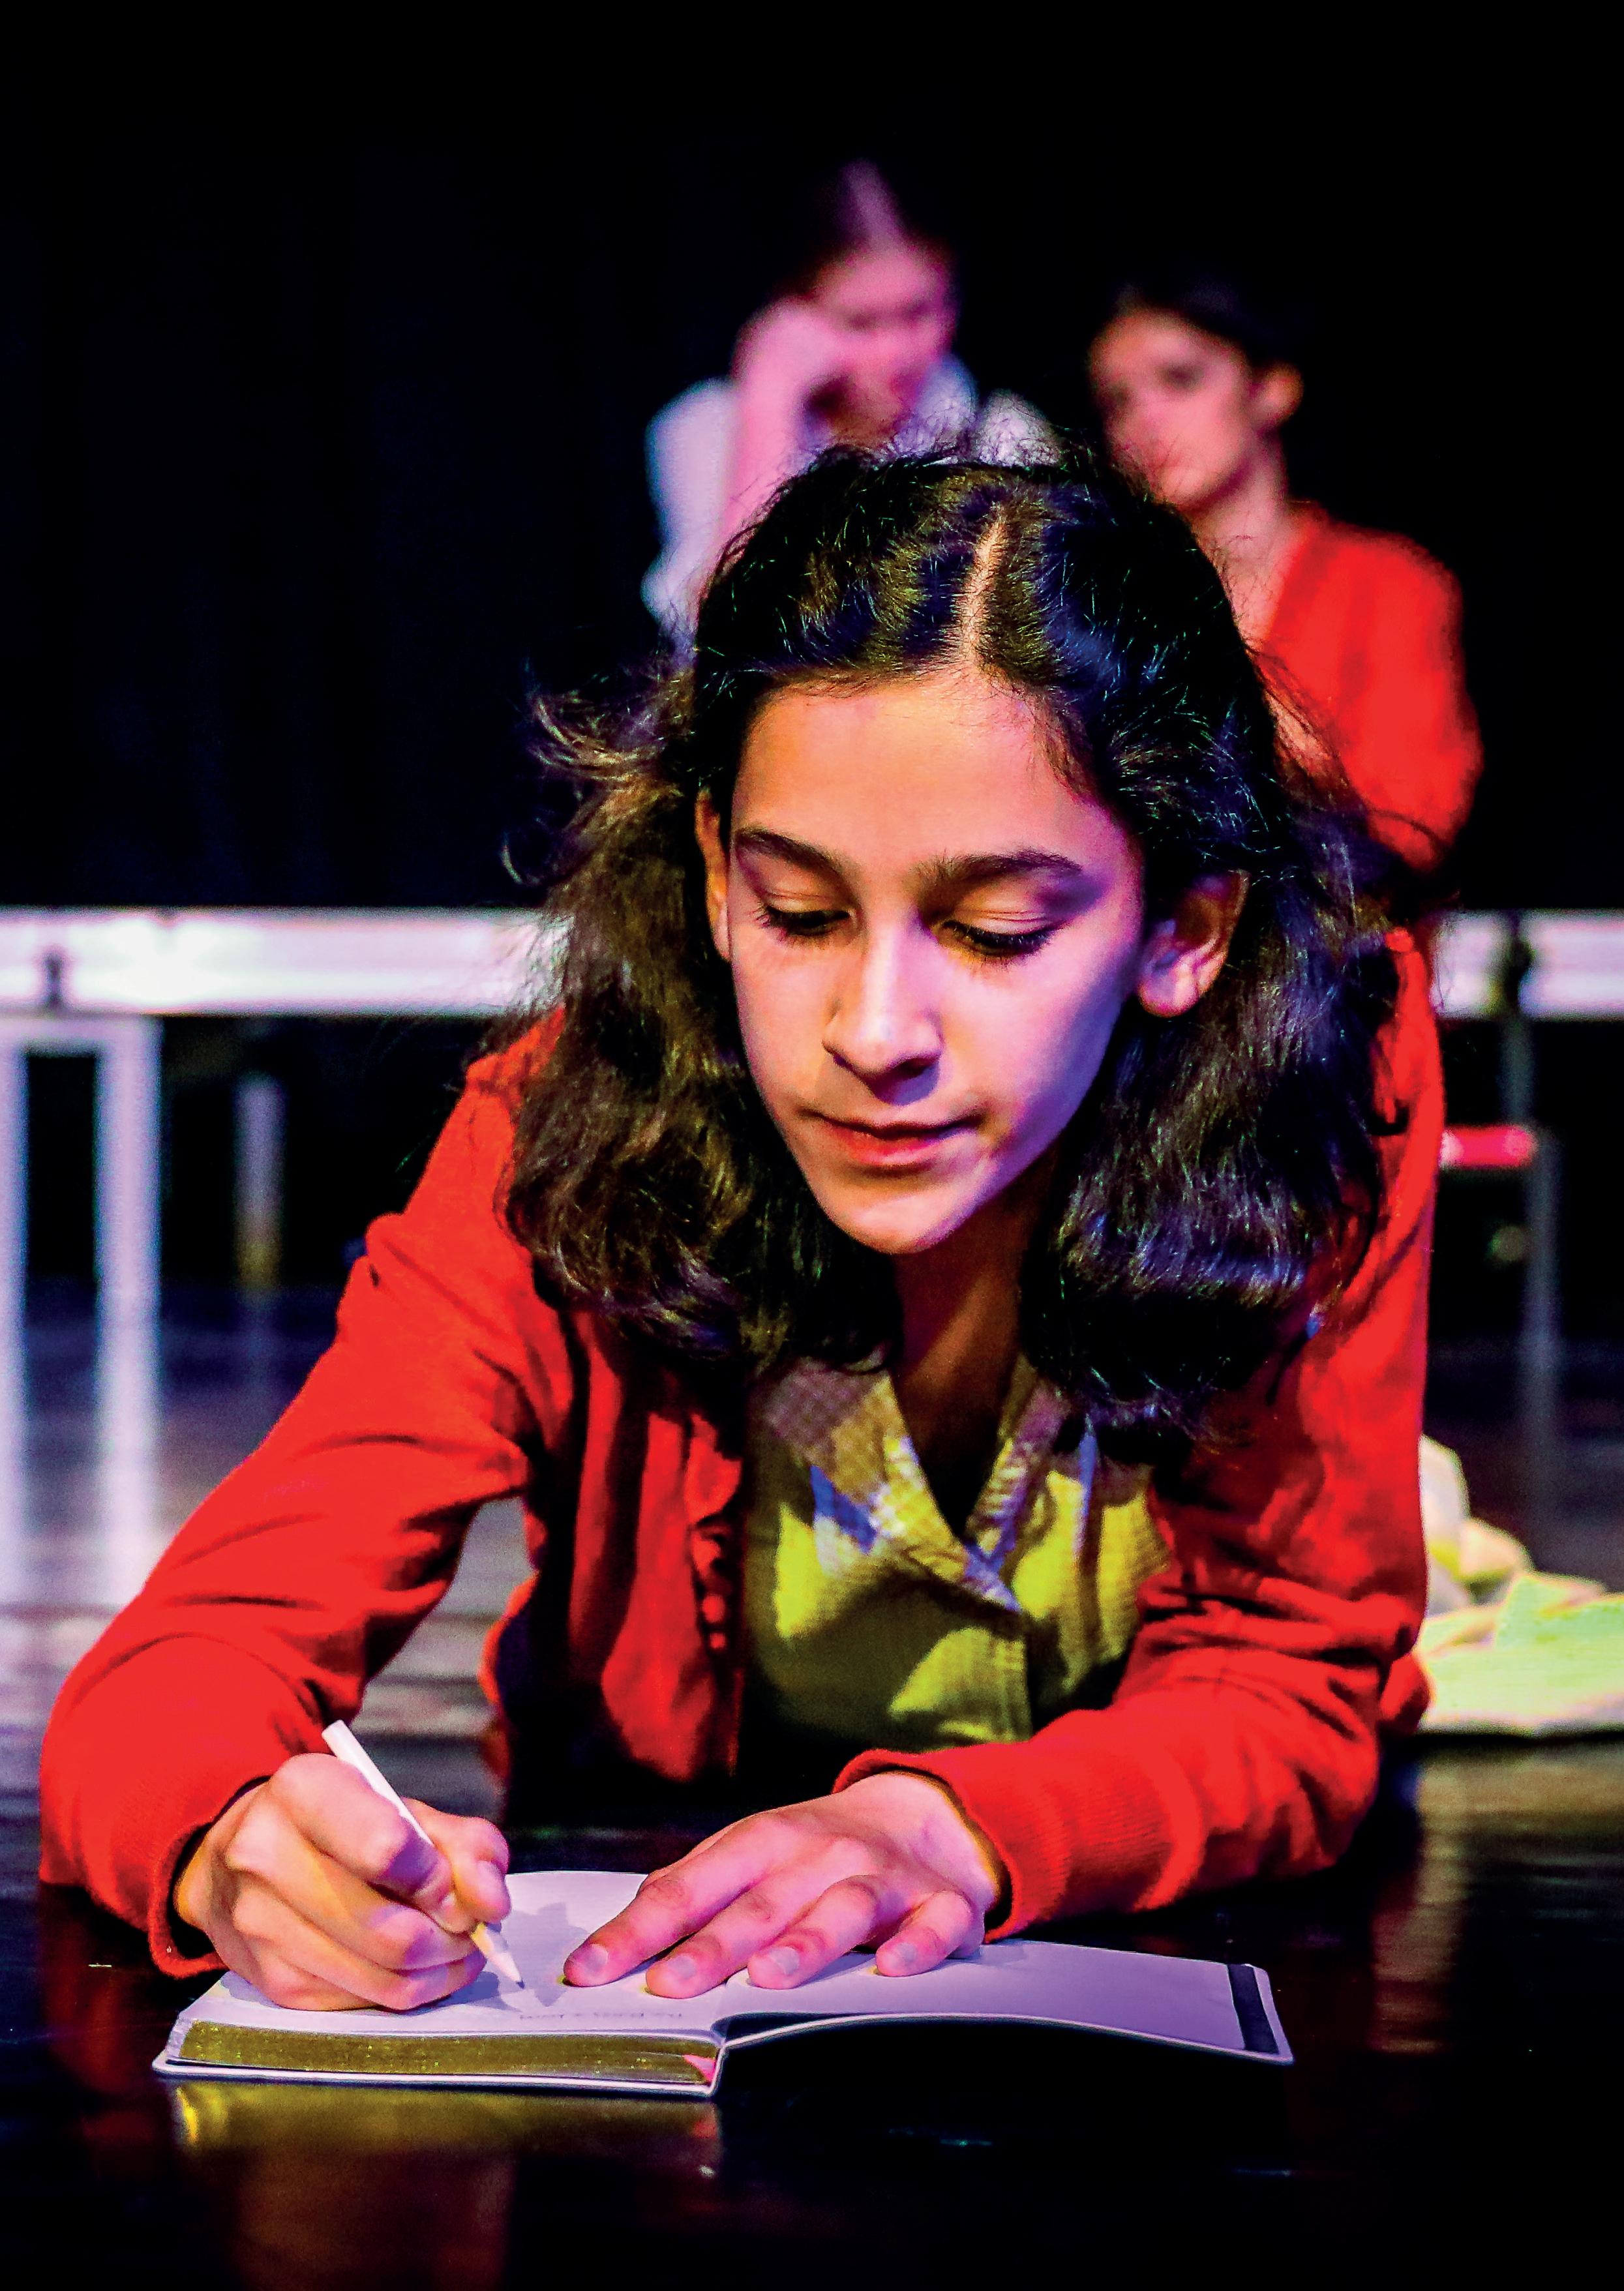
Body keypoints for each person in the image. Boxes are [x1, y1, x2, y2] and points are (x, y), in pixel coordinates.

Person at [41, 448, 1440, 2013]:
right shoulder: (567, 1132)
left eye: (992, 930)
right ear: (715, 876)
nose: (875, 1029)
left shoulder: (1319, 1093)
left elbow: (1292, 1675)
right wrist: (228, 1834)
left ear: (1181, 927)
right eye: (800, 912)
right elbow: (178, 1668)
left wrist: (949, 1826)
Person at [1090, 275, 1481, 875]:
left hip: (1345, 925)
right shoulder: (1114, 601)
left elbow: (1410, 823)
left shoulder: (1388, 584)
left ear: (1272, 388)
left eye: (1180, 379)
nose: (1146, 419)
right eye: (1118, 401)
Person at [643, 161, 1051, 641]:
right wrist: (771, 402)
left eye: (919, 312)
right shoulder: (703, 428)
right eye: (860, 322)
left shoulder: (1001, 431)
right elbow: (723, 629)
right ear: (793, 312)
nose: (898, 352)